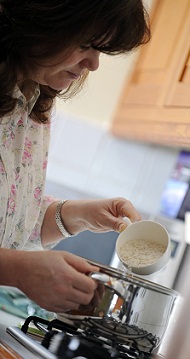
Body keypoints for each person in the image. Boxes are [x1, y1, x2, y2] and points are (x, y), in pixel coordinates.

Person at [0, 0, 150, 313]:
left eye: (101, 50)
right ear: (39, 20)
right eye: (86, 44)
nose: (94, 64)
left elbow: (13, 227)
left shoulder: (31, 99)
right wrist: (18, 270)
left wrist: (78, 215)